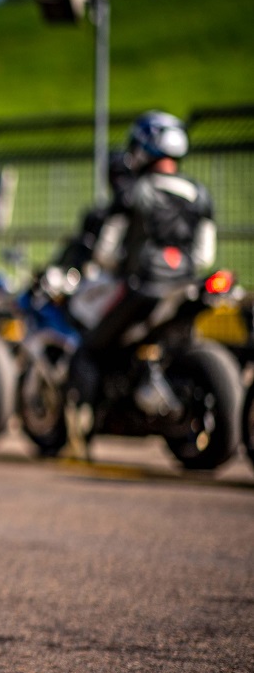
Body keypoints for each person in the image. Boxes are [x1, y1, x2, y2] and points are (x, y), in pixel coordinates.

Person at [63, 111, 217, 458]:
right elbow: (204, 254)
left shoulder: (134, 193)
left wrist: (112, 264)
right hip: (187, 286)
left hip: (142, 287)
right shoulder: (199, 193)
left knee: (88, 349)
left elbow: (105, 251)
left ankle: (80, 433)